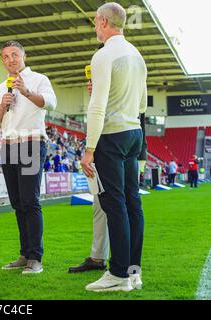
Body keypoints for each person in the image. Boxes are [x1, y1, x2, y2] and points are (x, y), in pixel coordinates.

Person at [80, 3, 147, 292]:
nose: (95, 26)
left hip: (111, 135)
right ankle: (133, 272)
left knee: (114, 204)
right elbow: (143, 103)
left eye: (96, 21)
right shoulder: (136, 54)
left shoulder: (104, 54)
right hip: (134, 132)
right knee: (133, 203)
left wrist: (89, 147)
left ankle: (118, 273)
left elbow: (97, 106)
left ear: (105, 21)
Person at [0, 40, 57, 274]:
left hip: (31, 144)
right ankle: (25, 253)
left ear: (23, 55)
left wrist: (25, 91)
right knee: (17, 203)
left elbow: (51, 103)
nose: (10, 60)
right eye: (5, 56)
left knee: (30, 201)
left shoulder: (39, 79)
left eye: (14, 55)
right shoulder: (0, 89)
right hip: (8, 146)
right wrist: (2, 105)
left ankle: (36, 257)